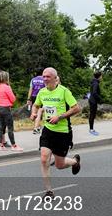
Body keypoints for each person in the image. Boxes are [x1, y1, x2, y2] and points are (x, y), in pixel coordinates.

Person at [30, 67, 81, 198]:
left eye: (47, 77)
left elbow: (76, 108)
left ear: (54, 78)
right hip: (48, 130)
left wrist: (60, 117)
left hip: (63, 132)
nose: (45, 79)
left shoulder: (64, 91)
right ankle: (49, 191)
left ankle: (75, 161)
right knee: (43, 159)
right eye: (43, 76)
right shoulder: (42, 92)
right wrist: (34, 113)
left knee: (59, 164)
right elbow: (36, 105)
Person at [0, 71, 23, 152]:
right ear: (6, 78)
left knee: (0, 127)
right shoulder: (7, 87)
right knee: (10, 128)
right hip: (6, 108)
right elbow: (13, 99)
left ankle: (1, 145)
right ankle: (14, 145)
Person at [28, 68, 45, 134]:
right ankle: (37, 127)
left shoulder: (33, 80)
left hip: (34, 96)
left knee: (35, 112)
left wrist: (29, 98)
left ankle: (37, 126)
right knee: (40, 112)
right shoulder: (44, 79)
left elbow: (31, 89)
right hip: (42, 97)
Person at [88, 71, 102, 136]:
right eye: (101, 76)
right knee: (92, 115)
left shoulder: (93, 82)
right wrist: (100, 99)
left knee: (92, 114)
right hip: (93, 101)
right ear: (99, 76)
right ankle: (91, 129)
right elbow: (94, 92)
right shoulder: (96, 83)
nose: (102, 77)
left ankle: (91, 128)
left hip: (91, 100)